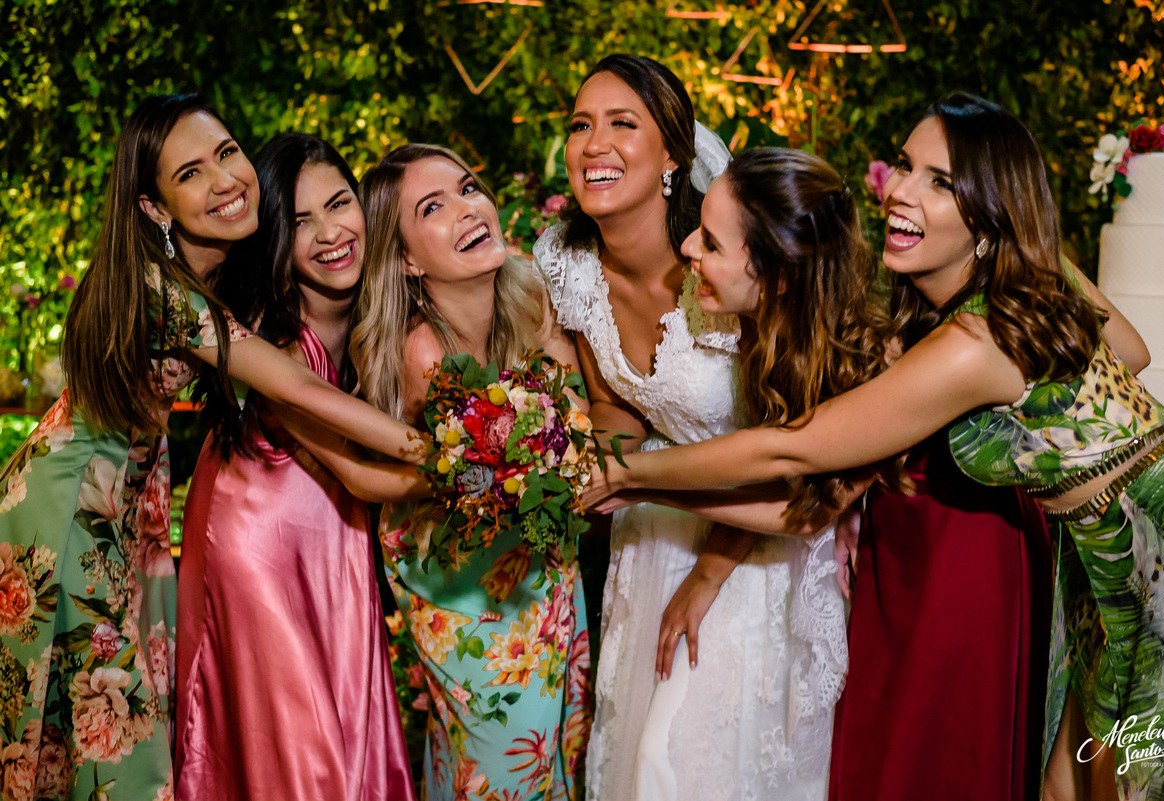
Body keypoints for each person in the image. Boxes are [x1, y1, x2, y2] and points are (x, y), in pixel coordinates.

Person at [584, 94, 1164, 800]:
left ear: (990, 213)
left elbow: (792, 451)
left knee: (1141, 784)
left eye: (941, 181)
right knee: (1072, 785)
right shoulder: (958, 321)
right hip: (1105, 555)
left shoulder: (976, 342)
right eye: (906, 166)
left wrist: (629, 469)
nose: (901, 191)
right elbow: (1130, 349)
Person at [0, 94, 421, 801]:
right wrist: (434, 446)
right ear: (155, 207)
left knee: (113, 736)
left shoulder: (213, 276)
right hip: (67, 511)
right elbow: (297, 386)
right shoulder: (163, 288)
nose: (226, 179)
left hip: (123, 505)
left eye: (227, 153)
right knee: (115, 747)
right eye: (191, 173)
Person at [659, 145, 1053, 800]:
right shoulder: (772, 330)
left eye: (711, 241)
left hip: (937, 557)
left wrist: (635, 481)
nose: (688, 250)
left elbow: (801, 493)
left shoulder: (879, 350)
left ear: (778, 270)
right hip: (874, 560)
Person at [534, 55, 846, 801]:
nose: (593, 143)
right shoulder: (569, 266)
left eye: (622, 123)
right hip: (647, 539)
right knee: (636, 755)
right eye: (580, 125)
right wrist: (580, 468)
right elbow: (617, 405)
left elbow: (783, 447)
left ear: (674, 153)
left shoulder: (727, 264)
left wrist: (708, 574)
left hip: (750, 541)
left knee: (686, 762)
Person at [174, 133, 420, 801]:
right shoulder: (284, 341)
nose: (329, 232)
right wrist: (487, 463)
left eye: (339, 204)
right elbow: (367, 478)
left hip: (331, 547)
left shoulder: (379, 327)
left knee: (341, 736)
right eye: (300, 221)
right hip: (257, 553)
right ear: (277, 242)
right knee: (297, 754)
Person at [350, 143, 591, 801]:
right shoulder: (422, 350)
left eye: (467, 187)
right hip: (469, 597)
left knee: (563, 759)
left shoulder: (524, 296)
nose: (468, 209)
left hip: (543, 574)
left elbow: (575, 421)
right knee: (506, 775)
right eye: (434, 207)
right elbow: (501, 461)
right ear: (404, 258)